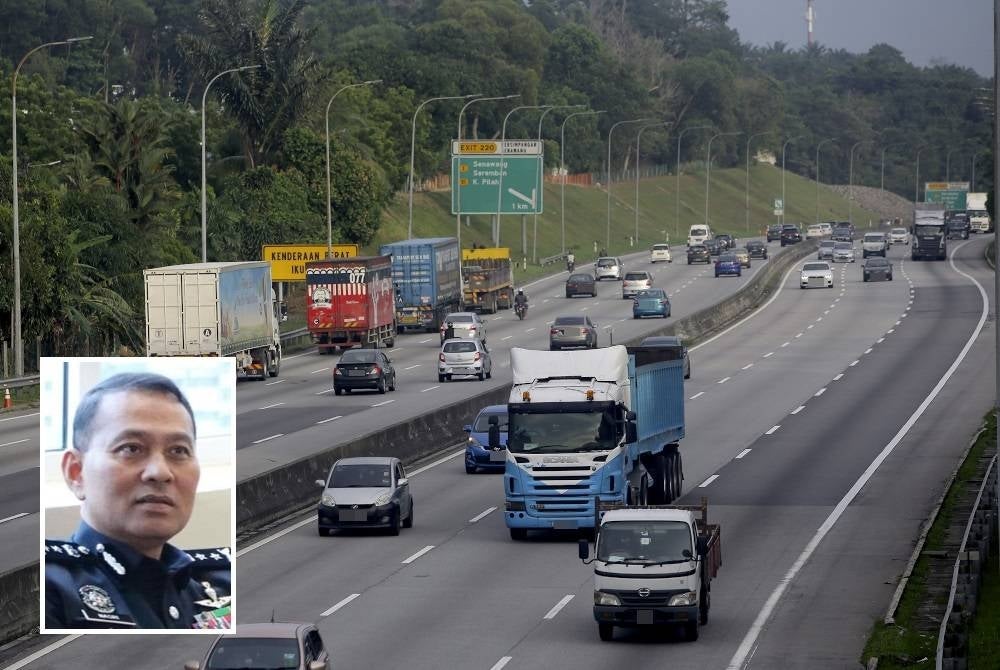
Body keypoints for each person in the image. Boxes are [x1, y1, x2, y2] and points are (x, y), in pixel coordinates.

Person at [45, 372, 231, 630]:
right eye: (131, 448)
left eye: (178, 451)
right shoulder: (49, 589)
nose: (160, 472)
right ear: (76, 472)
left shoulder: (219, 582)